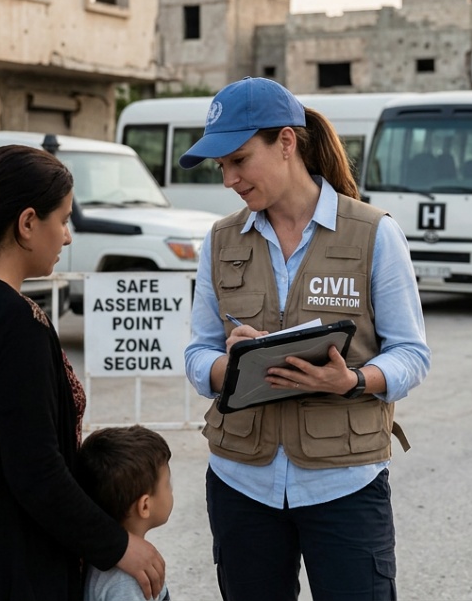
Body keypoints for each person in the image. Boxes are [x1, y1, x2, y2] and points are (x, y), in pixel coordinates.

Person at [179, 77, 430, 601]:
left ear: (287, 143)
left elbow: (411, 353)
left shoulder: (374, 234)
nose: (228, 178)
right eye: (221, 165)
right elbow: (198, 351)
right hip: (240, 483)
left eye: (239, 160)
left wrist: (354, 380)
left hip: (344, 484)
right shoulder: (221, 240)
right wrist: (235, 366)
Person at [0, 145, 164, 601]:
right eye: (62, 220)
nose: (67, 237)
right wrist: (119, 546)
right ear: (26, 223)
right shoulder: (16, 323)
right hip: (1, 569)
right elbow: (37, 473)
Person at [76, 427, 174, 601]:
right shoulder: (127, 581)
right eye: (167, 484)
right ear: (144, 506)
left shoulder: (101, 556)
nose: (171, 489)